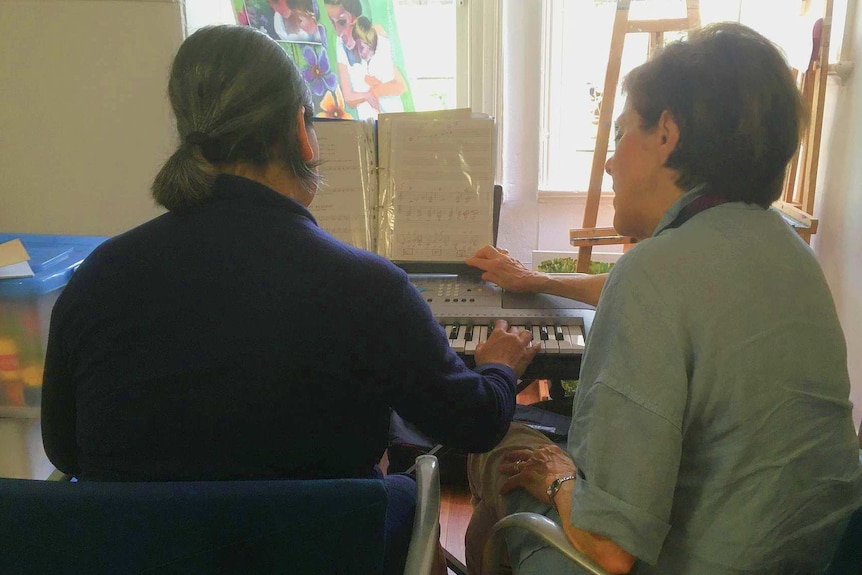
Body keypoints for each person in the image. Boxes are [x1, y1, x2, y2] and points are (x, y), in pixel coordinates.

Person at [40, 25, 539, 575]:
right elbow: (472, 424)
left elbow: (65, 452)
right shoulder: (369, 288)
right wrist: (496, 370)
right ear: (301, 132)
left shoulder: (96, 278)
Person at [464, 23, 862, 575]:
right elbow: (679, 298)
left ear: (666, 134)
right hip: (809, 557)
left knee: (503, 447)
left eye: (624, 130)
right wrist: (540, 281)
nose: (610, 162)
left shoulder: (654, 273)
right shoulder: (792, 254)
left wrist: (559, 476)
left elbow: (608, 546)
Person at [323, 0, 406, 118]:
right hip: (367, 125)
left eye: (342, 22)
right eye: (333, 23)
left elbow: (398, 85)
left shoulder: (374, 34)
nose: (339, 32)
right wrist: (368, 95)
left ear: (356, 18)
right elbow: (349, 98)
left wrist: (372, 92)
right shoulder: (340, 44)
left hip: (392, 118)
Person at [353, 15, 405, 115]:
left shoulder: (381, 55)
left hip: (393, 112)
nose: (360, 53)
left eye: (361, 48)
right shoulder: (363, 62)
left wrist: (374, 91)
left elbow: (400, 86)